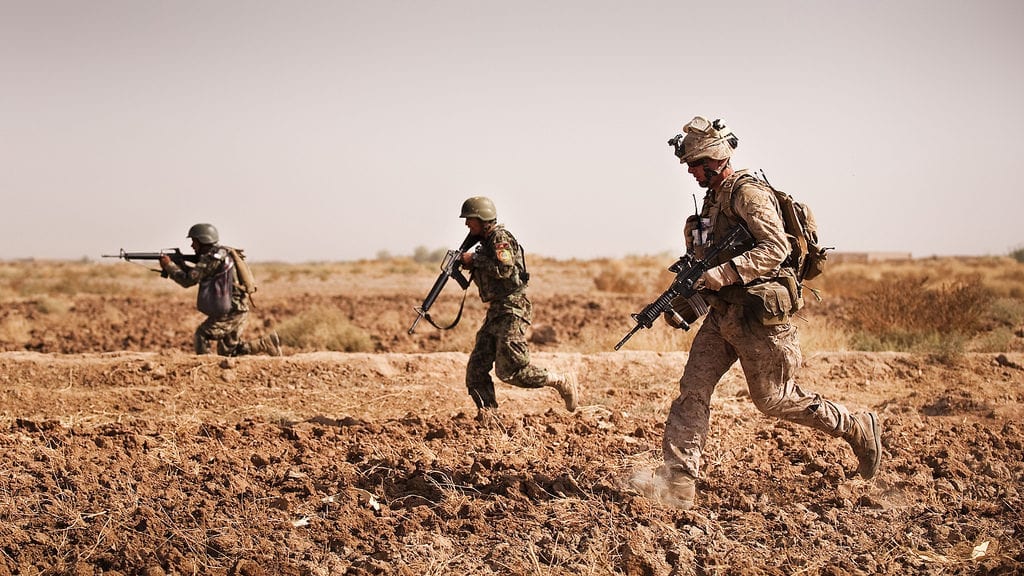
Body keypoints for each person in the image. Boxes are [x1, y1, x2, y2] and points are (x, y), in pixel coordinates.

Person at [632, 117, 881, 510]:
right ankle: (679, 481)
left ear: (714, 160)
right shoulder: (713, 199)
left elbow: (775, 248)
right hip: (722, 316)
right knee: (693, 390)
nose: (691, 172)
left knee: (773, 400)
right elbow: (707, 261)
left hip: (758, 320)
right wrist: (688, 296)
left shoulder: (748, 194)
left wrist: (722, 273)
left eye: (695, 164)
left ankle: (855, 426)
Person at [457, 196, 578, 422]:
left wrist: (474, 260)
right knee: (476, 369)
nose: (466, 225)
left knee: (511, 371)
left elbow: (504, 270)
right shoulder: (484, 244)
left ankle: (560, 381)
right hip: (497, 311)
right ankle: (489, 417)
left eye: (470, 220)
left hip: (513, 309)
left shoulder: (500, 239)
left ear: (482, 219)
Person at [160, 223, 281, 357]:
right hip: (237, 307)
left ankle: (204, 367)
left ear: (203, 240)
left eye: (194, 241)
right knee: (228, 351)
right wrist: (181, 266)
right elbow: (199, 274)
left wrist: (169, 266)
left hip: (232, 310)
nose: (192, 246)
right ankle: (266, 343)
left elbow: (188, 280)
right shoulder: (220, 254)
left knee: (202, 334)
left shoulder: (212, 257)